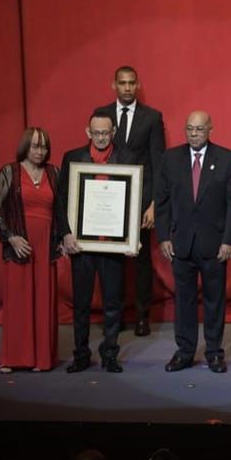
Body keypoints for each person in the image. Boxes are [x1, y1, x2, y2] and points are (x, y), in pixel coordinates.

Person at [155, 111, 231, 373]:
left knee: (215, 300)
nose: (193, 134)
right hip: (181, 243)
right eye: (189, 129)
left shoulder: (226, 158)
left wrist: (229, 241)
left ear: (210, 130)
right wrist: (163, 236)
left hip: (214, 245)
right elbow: (162, 202)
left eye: (199, 129)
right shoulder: (170, 159)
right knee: (184, 301)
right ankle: (184, 352)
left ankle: (214, 352)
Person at [56, 111, 137, 373]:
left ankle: (110, 353)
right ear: (88, 132)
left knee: (113, 303)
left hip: (113, 245)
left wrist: (132, 237)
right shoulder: (72, 158)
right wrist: (66, 234)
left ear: (113, 132)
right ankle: (81, 353)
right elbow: (61, 200)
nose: (101, 138)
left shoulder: (126, 158)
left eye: (106, 133)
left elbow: (133, 202)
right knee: (81, 303)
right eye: (96, 133)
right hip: (81, 245)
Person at [95, 66, 165, 337]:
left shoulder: (152, 117)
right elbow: (94, 157)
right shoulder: (101, 115)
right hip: (108, 199)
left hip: (142, 199)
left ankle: (142, 316)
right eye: (122, 83)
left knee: (142, 260)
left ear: (137, 85)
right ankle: (115, 314)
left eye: (131, 83)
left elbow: (159, 163)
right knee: (110, 260)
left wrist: (154, 204)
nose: (126, 87)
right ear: (114, 85)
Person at [0, 127, 60, 373]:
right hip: (20, 246)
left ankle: (41, 358)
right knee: (18, 301)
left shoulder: (54, 173)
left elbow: (61, 210)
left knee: (43, 301)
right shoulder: (10, 172)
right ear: (25, 147)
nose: (40, 151)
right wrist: (11, 238)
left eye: (43, 146)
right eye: (35, 146)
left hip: (46, 247)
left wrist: (62, 238)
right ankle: (12, 357)